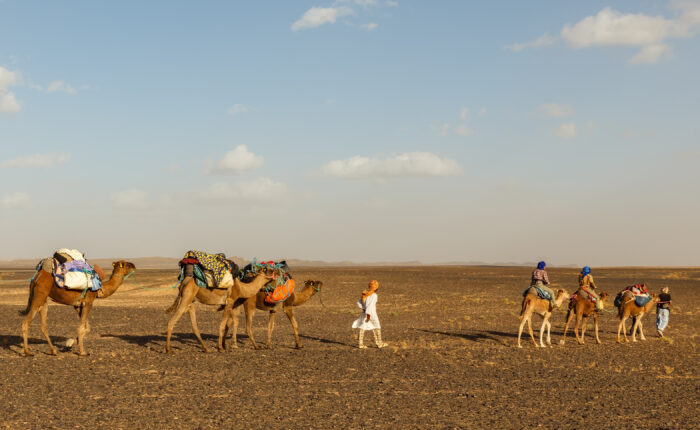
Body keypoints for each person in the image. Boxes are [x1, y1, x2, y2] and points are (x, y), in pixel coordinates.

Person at [352, 280, 387, 349]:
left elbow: (359, 302)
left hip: (365, 313)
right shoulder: (374, 295)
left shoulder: (365, 295)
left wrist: (364, 310)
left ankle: (360, 344)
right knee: (377, 327)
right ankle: (379, 343)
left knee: (362, 327)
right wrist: (368, 315)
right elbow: (370, 306)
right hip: (371, 313)